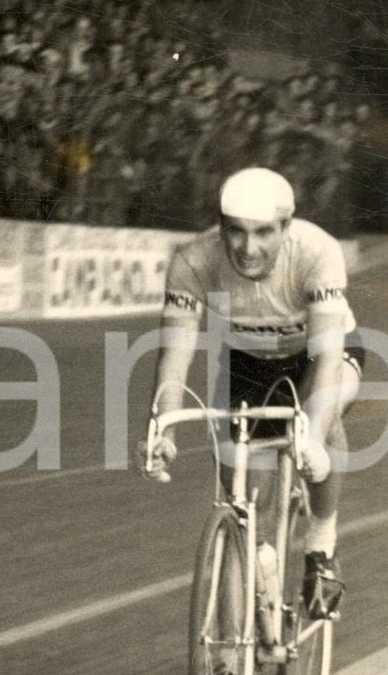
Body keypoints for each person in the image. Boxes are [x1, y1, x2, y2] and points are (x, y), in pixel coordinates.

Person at [137, 167, 362, 621]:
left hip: (321, 356)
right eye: (235, 231)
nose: (248, 247)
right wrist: (163, 429)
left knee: (321, 419)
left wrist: (313, 437)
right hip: (250, 361)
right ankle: (260, 579)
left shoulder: (316, 251)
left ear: (286, 227)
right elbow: (174, 357)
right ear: (220, 227)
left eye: (263, 233)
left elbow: (327, 357)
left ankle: (320, 546)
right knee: (246, 502)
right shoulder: (193, 262)